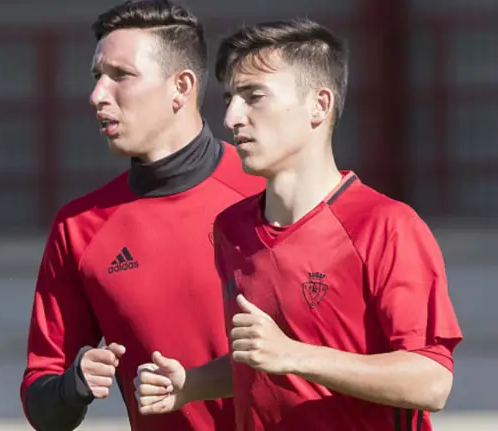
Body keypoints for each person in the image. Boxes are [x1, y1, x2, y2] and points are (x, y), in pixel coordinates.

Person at [133, 18, 463, 431]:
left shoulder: (387, 225)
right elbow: (261, 362)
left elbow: (432, 382)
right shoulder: (231, 230)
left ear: (319, 105)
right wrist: (190, 385)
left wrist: (295, 355)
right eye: (230, 98)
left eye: (254, 97)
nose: (233, 117)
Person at [18, 1, 265, 430]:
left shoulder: (269, 192)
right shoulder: (79, 228)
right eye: (98, 77)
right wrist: (73, 385)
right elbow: (42, 401)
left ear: (181, 87)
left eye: (121, 76)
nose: (98, 95)